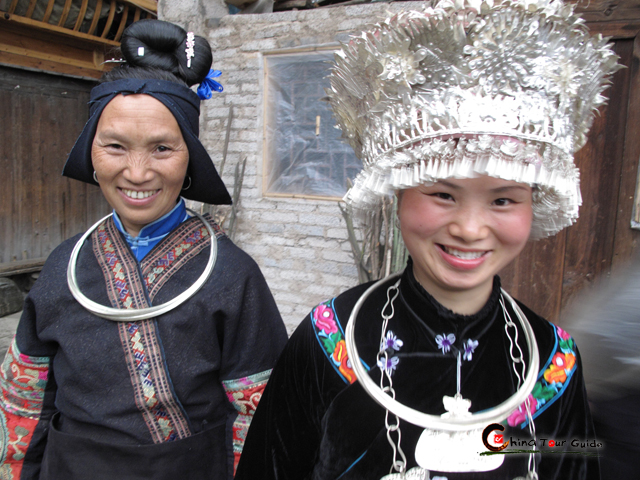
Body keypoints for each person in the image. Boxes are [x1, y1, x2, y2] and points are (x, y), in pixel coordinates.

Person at [235, 1, 620, 479]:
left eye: (503, 200)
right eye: (442, 193)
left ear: (535, 205)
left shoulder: (555, 361)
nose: (470, 228)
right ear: (397, 192)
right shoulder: (327, 339)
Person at [0, 19, 288, 480]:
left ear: (189, 156)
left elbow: (261, 416)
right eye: (115, 146)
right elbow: (25, 399)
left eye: (161, 148)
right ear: (91, 153)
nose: (137, 173)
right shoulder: (63, 266)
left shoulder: (233, 276)